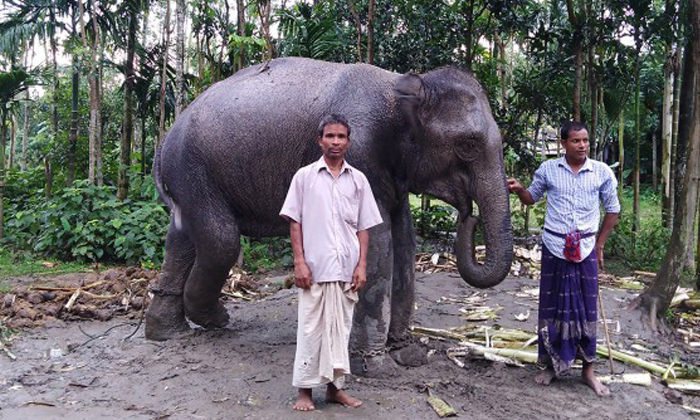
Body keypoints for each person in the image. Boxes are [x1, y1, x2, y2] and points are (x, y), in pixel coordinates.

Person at [508, 121, 620, 397]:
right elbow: (531, 199)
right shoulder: (548, 170)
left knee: (586, 308)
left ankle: (588, 371)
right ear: (564, 144)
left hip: (585, 248)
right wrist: (520, 188)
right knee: (553, 305)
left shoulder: (601, 172)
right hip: (555, 246)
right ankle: (551, 365)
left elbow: (613, 210)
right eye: (576, 141)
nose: (582, 145)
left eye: (585, 140)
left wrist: (600, 245)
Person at [280, 114, 383, 411]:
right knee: (311, 330)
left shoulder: (358, 180)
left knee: (340, 332)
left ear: (348, 142)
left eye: (340, 137)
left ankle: (335, 390)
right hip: (314, 269)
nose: (335, 142)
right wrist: (299, 262)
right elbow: (295, 221)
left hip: (346, 269)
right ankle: (304, 392)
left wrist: (362, 265)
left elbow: (364, 226)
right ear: (319, 140)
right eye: (329, 136)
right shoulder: (305, 177)